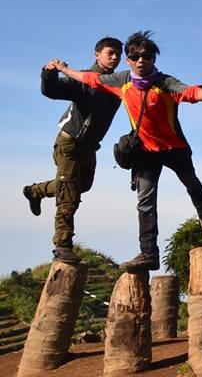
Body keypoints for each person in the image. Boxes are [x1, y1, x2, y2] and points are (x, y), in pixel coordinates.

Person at [54, 30, 202, 272]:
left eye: (147, 56)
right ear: (128, 60)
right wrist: (63, 69)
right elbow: (89, 79)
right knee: (145, 201)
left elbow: (189, 92)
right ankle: (148, 253)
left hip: (174, 147)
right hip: (145, 151)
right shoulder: (121, 80)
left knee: (192, 184)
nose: (142, 60)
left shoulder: (164, 82)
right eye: (135, 56)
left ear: (154, 60)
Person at [24, 37, 124, 264]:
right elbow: (51, 90)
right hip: (69, 144)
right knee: (69, 198)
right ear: (96, 54)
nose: (115, 57)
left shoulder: (117, 83)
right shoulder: (84, 80)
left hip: (89, 147)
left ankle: (35, 191)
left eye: (118, 53)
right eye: (110, 52)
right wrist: (48, 73)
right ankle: (62, 246)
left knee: (82, 187)